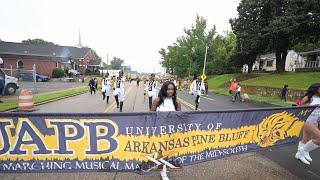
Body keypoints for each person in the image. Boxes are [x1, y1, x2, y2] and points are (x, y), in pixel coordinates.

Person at [295, 83, 320, 165]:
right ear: (315, 89)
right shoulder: (308, 98)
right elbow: (298, 107)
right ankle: (303, 151)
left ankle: (299, 155)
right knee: (319, 138)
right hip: (307, 120)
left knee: (306, 139)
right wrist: (311, 106)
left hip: (315, 121)